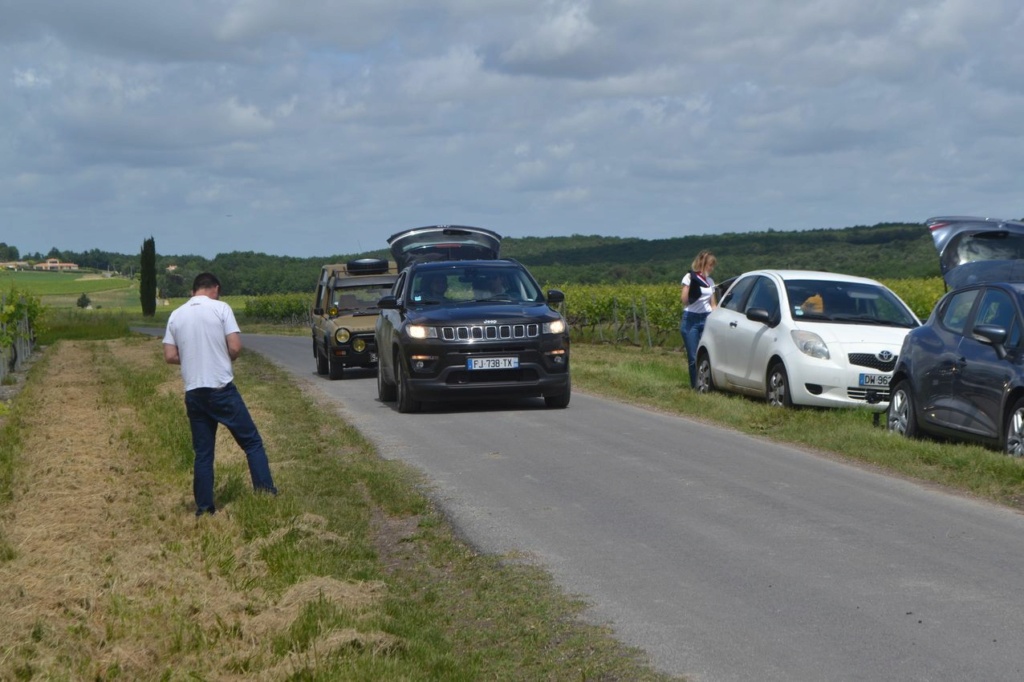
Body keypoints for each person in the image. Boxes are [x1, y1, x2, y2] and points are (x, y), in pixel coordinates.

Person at [163, 272, 277, 516]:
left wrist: (194, 355)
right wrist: (222, 355)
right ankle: (266, 494)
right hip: (221, 388)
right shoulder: (221, 308)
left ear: (194, 290)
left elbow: (170, 355)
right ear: (214, 288)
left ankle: (204, 508)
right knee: (252, 442)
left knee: (203, 453)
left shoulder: (176, 315)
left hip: (194, 391)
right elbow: (235, 347)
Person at [680, 250, 718, 388]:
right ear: (702, 264)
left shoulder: (710, 281)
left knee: (706, 355)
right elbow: (684, 300)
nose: (711, 268)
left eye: (713, 266)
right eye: (710, 265)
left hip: (706, 318)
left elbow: (713, 304)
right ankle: (695, 386)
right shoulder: (689, 277)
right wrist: (693, 289)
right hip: (691, 319)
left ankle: (706, 386)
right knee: (693, 357)